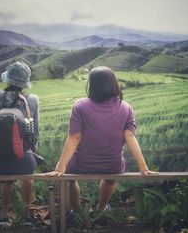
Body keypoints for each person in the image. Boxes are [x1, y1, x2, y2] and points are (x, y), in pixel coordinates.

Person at [47, 66, 157, 213]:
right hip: (112, 165)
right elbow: (130, 137)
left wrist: (60, 167)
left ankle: (77, 211)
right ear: (114, 84)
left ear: (92, 85)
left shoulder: (80, 105)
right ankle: (102, 207)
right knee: (111, 179)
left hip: (82, 164)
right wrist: (143, 166)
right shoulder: (126, 108)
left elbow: (75, 136)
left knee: (68, 179)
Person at [0, 61, 39, 221]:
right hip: (24, 159)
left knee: (5, 178)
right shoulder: (32, 100)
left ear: (8, 80)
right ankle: (26, 211)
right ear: (25, 83)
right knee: (28, 175)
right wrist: (32, 153)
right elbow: (35, 132)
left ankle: (4, 211)